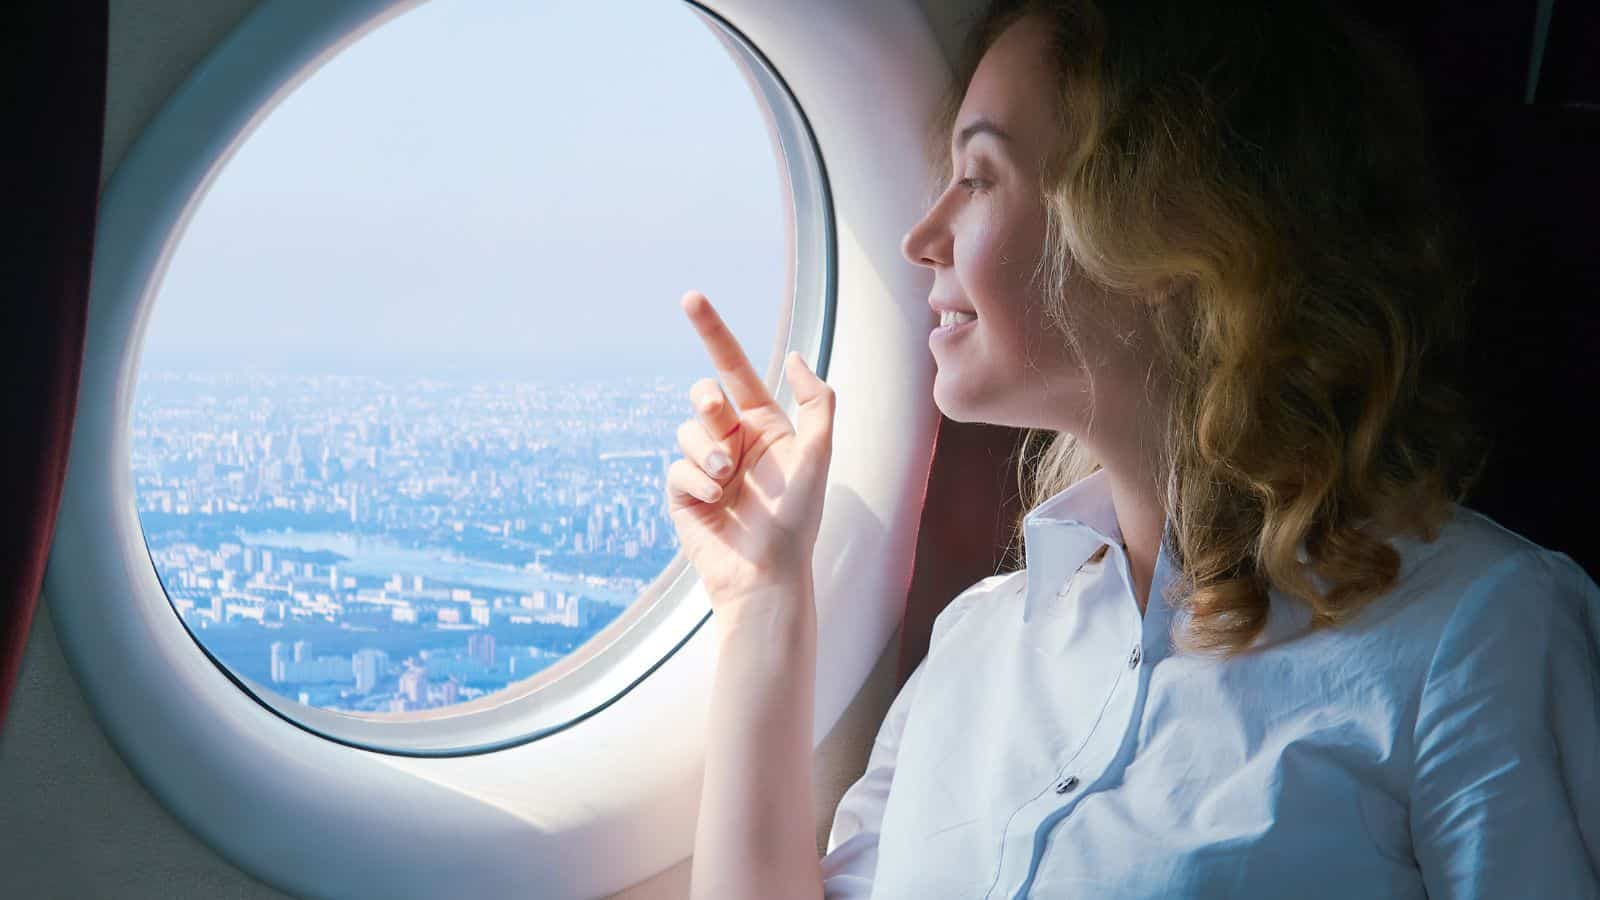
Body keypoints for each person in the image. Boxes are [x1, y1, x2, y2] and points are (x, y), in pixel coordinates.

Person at [672, 1, 1600, 897]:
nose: (921, 238)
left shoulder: (1479, 631)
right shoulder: (982, 641)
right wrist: (764, 599)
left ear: (1166, 230)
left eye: (980, 177)